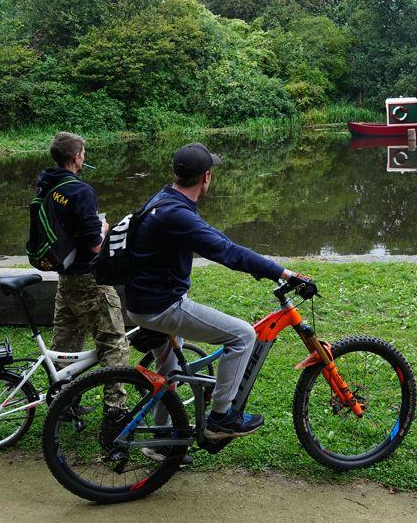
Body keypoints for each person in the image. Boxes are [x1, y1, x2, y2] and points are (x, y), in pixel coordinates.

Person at [123, 142, 307, 454]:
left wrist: (267, 269)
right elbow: (227, 252)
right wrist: (284, 273)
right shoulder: (177, 215)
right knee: (242, 335)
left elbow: (215, 238)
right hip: (161, 306)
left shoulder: (166, 198)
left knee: (170, 371)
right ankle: (221, 419)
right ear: (206, 177)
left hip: (140, 302)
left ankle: (160, 442)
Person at [37, 132, 130, 410]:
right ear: (77, 156)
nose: (84, 156)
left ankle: (62, 402)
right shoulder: (81, 191)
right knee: (114, 343)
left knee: (65, 343)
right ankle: (116, 410)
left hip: (66, 277)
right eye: (83, 152)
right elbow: (94, 245)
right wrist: (103, 229)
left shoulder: (47, 186)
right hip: (90, 279)